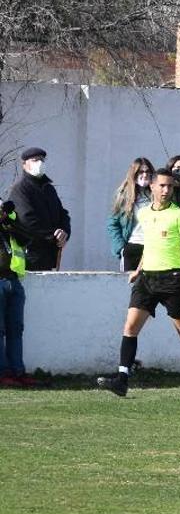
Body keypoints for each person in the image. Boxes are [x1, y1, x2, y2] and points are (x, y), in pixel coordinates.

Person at [96, 167, 180, 396]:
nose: (166, 190)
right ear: (151, 186)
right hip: (146, 279)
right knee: (130, 327)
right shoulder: (144, 214)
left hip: (172, 280)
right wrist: (138, 269)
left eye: (170, 186)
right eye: (162, 185)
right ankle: (122, 379)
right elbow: (150, 245)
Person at [7, 147, 71, 271]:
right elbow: (27, 220)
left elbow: (63, 214)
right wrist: (53, 235)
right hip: (29, 255)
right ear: (24, 164)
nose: (40, 163)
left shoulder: (48, 188)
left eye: (42, 160)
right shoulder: (20, 188)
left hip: (49, 255)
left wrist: (64, 232)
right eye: (35, 160)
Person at [0, 199, 36, 387]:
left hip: (14, 280)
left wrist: (8, 220)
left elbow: (26, 237)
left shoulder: (11, 218)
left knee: (16, 329)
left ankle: (17, 371)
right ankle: (3, 373)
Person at [107, 157, 155, 272]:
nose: (144, 175)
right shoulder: (124, 196)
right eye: (141, 171)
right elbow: (112, 224)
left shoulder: (156, 195)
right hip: (132, 247)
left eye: (147, 171)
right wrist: (121, 248)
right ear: (134, 173)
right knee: (130, 286)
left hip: (153, 248)